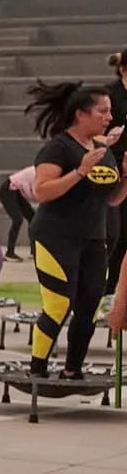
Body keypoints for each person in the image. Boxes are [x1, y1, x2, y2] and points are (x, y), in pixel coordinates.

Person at [23, 80, 125, 379]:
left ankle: (73, 369)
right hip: (55, 237)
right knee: (58, 304)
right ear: (81, 114)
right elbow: (42, 192)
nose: (109, 117)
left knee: (89, 306)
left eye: (110, 112)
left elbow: (111, 199)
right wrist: (80, 171)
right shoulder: (58, 147)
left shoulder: (101, 150)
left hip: (94, 237)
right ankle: (37, 368)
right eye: (103, 112)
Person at [103, 51, 127, 293]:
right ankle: (109, 287)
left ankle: (119, 287)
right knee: (115, 232)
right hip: (114, 167)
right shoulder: (110, 94)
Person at [0, 165, 38, 260]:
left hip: (17, 191)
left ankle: (34, 252)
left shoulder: (41, 170)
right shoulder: (37, 172)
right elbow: (33, 193)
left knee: (33, 218)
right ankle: (10, 252)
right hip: (8, 190)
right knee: (17, 219)